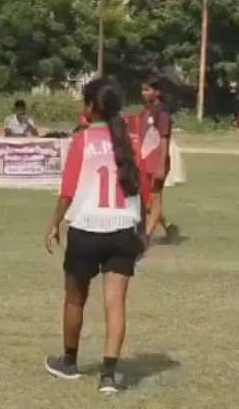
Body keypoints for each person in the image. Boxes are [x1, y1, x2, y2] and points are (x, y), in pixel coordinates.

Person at [43, 77, 144, 395]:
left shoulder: (83, 140)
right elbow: (139, 188)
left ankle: (69, 362)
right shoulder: (129, 140)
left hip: (86, 228)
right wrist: (142, 231)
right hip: (122, 229)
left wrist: (53, 224)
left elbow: (68, 191)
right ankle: (109, 375)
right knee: (116, 304)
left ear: (90, 107)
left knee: (75, 299)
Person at [139, 75, 179, 243]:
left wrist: (161, 165)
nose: (143, 93)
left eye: (147, 89)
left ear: (157, 92)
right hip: (144, 160)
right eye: (143, 89)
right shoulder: (146, 110)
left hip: (157, 161)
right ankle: (169, 226)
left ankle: (146, 236)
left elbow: (164, 140)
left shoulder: (162, 113)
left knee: (155, 198)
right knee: (146, 202)